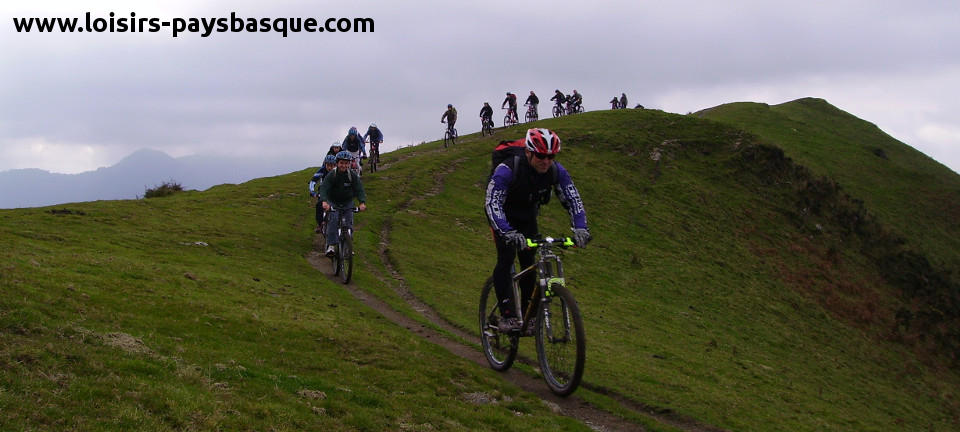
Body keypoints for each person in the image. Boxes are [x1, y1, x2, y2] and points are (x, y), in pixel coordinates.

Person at [484, 128, 591, 332]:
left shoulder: (555, 170)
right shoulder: (508, 168)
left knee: (528, 260)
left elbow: (573, 198)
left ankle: (527, 314)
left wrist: (581, 228)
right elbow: (492, 203)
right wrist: (506, 232)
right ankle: (507, 315)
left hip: (527, 215)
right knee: (506, 258)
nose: (546, 161)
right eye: (541, 155)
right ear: (528, 152)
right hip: (502, 214)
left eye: (551, 156)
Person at [319, 151, 368, 257]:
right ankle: (331, 246)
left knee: (349, 224)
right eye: (342, 163)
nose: (344, 165)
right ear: (337, 163)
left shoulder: (352, 175)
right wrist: (324, 201)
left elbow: (359, 189)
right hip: (334, 201)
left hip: (347, 202)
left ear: (349, 164)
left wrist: (362, 202)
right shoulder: (333, 174)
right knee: (333, 220)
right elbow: (324, 188)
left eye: (346, 163)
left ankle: (347, 247)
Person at [308, 154, 338, 233]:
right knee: (319, 205)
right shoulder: (322, 170)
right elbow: (313, 181)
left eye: (332, 165)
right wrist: (312, 191)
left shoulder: (338, 171)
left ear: (335, 165)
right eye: (328, 165)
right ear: (325, 164)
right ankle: (320, 224)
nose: (330, 167)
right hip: (323, 190)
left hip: (335, 190)